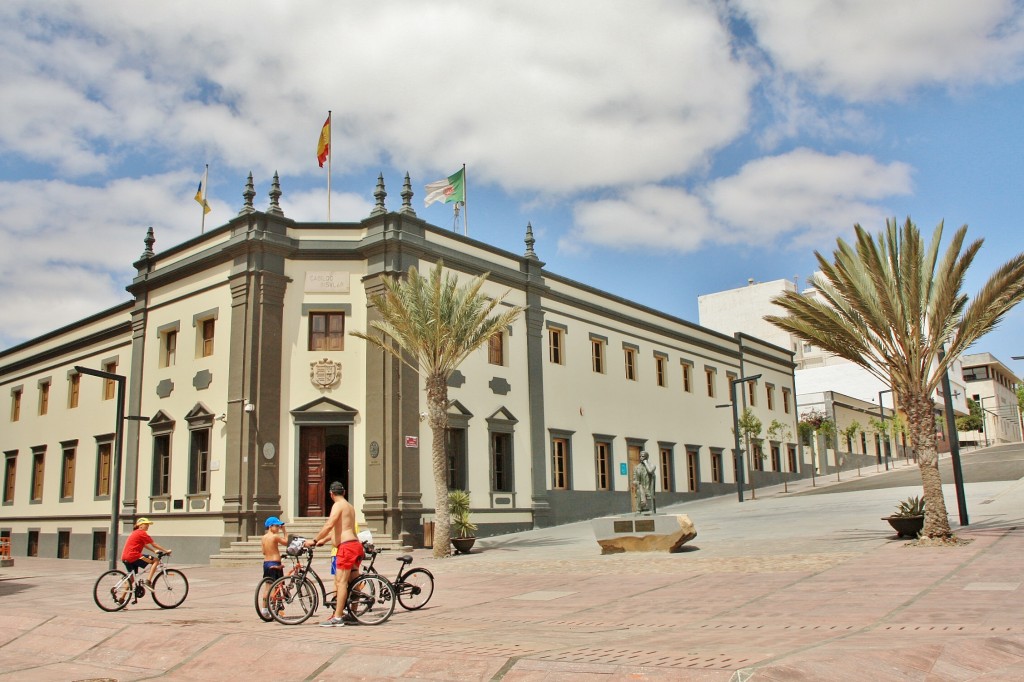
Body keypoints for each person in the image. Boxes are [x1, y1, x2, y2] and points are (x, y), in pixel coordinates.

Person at [306, 481, 363, 627]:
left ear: (331, 494)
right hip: (355, 545)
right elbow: (340, 529)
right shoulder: (349, 507)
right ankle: (353, 614)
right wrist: (324, 540)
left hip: (346, 548)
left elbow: (329, 524)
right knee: (353, 581)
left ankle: (337, 617)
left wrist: (314, 540)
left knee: (341, 582)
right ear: (343, 492)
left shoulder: (337, 505)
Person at [121, 517, 171, 586]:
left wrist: (154, 551)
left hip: (125, 557)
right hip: (134, 556)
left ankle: (122, 597)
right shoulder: (142, 533)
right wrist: (166, 550)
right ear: (140, 525)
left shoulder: (135, 533)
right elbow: (154, 544)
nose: (148, 526)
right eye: (146, 524)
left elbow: (144, 545)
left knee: (132, 578)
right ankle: (148, 581)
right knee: (156, 561)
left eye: (148, 524)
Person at [261, 516, 289, 581]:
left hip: (266, 563)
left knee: (268, 586)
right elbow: (287, 543)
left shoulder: (263, 537)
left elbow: (263, 552)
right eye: (276, 526)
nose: (278, 528)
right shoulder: (275, 536)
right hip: (275, 562)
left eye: (279, 526)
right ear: (270, 526)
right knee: (276, 586)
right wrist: (284, 531)